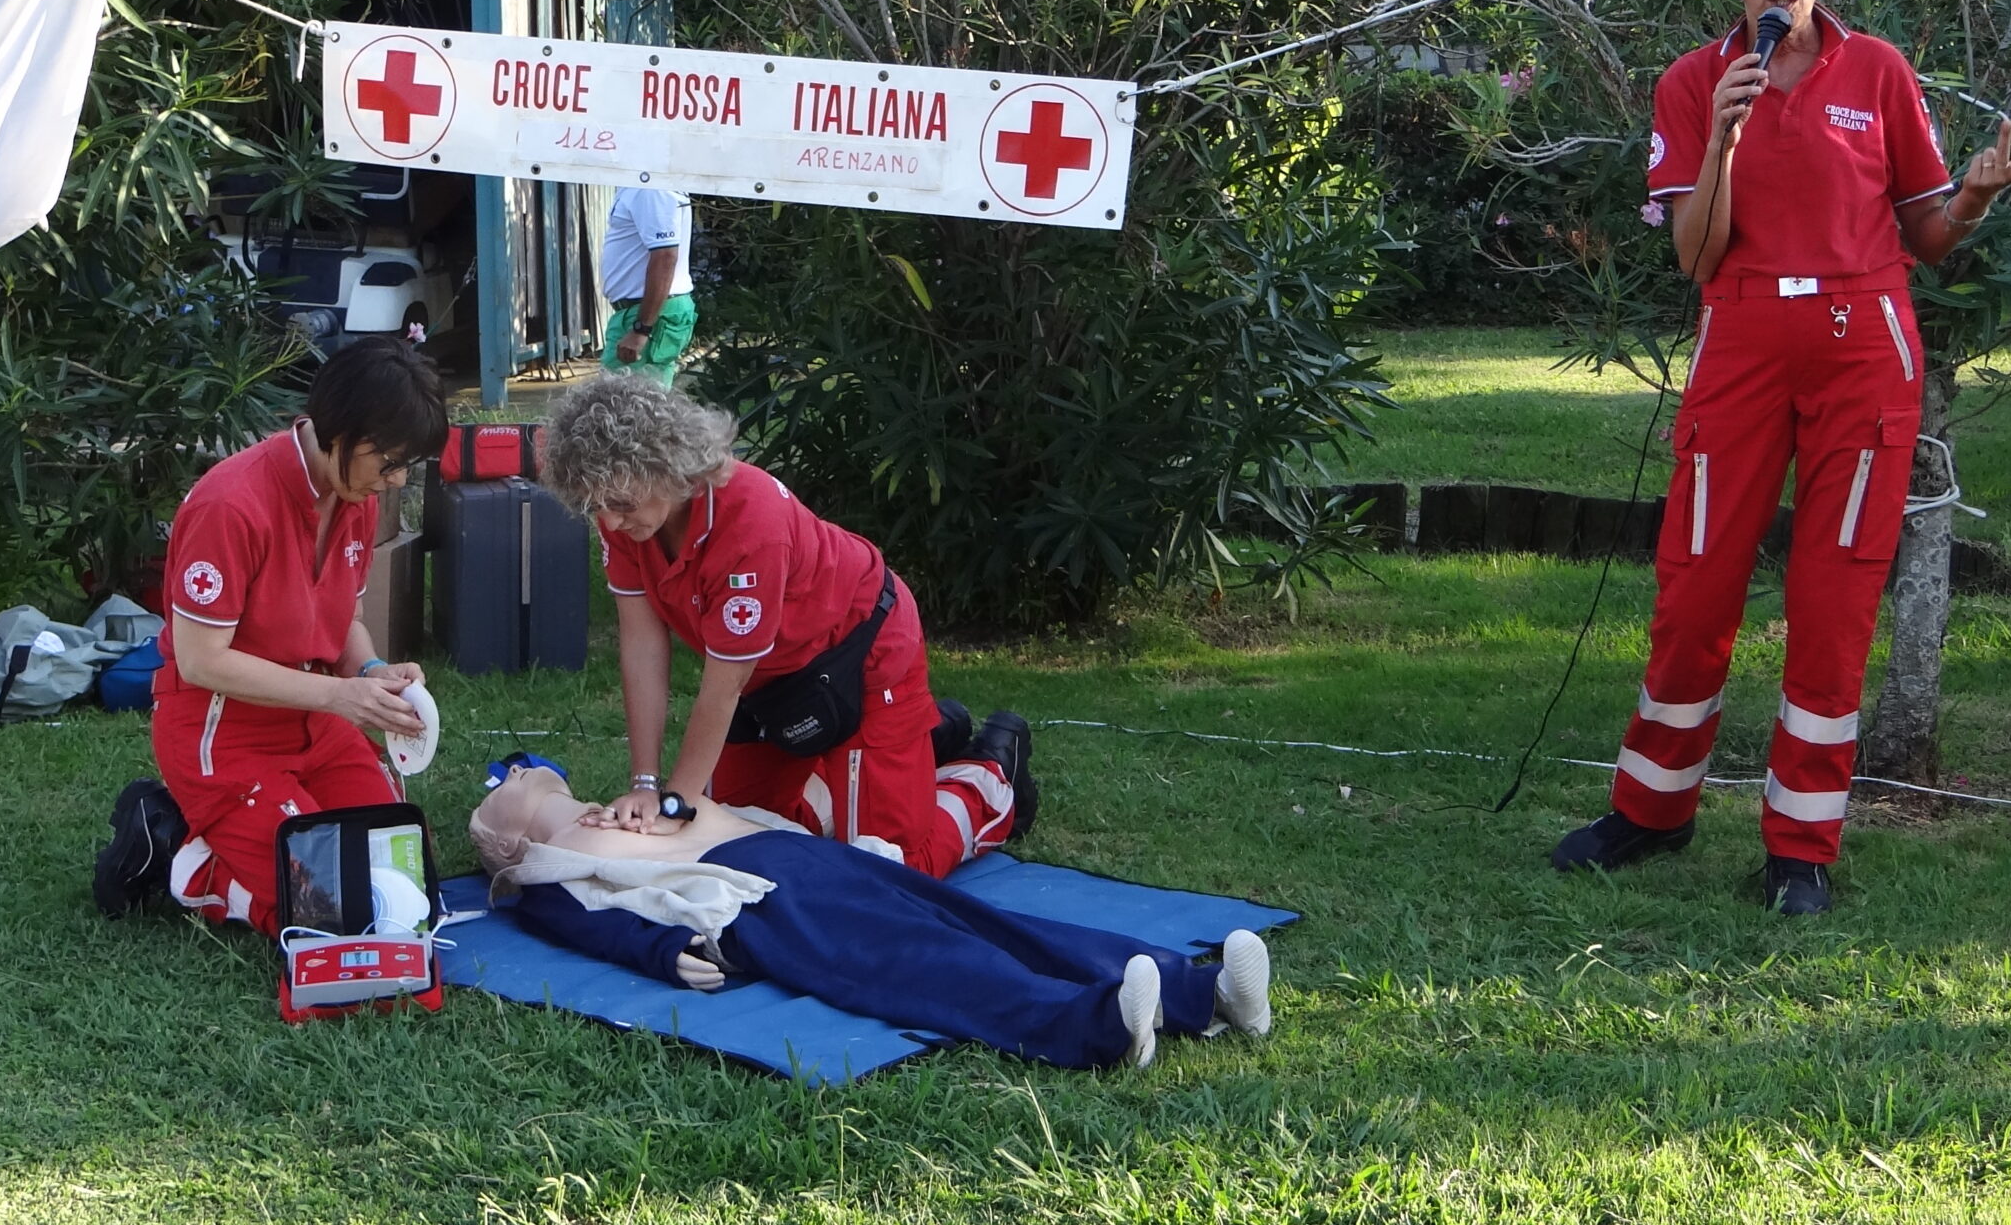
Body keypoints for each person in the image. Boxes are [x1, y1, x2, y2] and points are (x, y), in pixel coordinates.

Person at [1553, 0, 2011, 915]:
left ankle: (1801, 847)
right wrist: (1728, 135)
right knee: (1695, 585)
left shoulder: (1877, 71)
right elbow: (1694, 258)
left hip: (1861, 347)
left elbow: (1924, 238)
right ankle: (1652, 810)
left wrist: (1967, 199)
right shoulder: (1692, 85)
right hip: (1739, 339)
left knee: (1833, 599)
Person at [468, 756, 1272, 1070]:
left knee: (986, 926)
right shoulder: (543, 877)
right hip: (756, 903)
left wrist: (665, 803)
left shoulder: (630, 811)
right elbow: (584, 923)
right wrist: (660, 949)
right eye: (546, 809)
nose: (579, 812)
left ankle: (1198, 992)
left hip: (807, 861)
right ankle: (1097, 1026)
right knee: (923, 966)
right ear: (518, 846)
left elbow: (703, 802)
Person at [538, 374, 1034, 877]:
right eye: (595, 504)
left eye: (620, 504)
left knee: (889, 866)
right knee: (741, 836)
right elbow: (643, 645)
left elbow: (722, 687)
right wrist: (645, 782)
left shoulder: (751, 524)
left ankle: (987, 779)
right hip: (771, 679)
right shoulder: (623, 509)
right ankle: (894, 760)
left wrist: (676, 804)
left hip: (861, 653)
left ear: (668, 469)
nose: (611, 521)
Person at [92, 337, 449, 930]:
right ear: (341, 431)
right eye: (389, 461)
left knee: (403, 871)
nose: (396, 479)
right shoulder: (230, 506)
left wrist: (369, 673)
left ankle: (233, 843)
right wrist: (341, 695)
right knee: (328, 904)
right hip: (222, 731)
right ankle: (177, 851)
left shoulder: (352, 493)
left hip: (314, 721)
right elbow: (202, 661)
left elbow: (344, 620)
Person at [600, 183, 698, 386]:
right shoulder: (642, 184)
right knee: (641, 405)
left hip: (647, 312)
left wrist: (641, 329)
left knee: (623, 407)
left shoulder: (651, 187)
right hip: (647, 310)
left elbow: (665, 256)